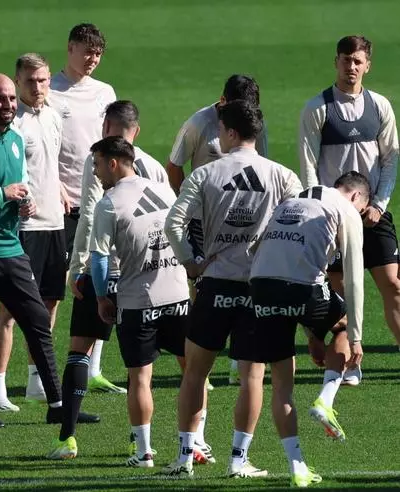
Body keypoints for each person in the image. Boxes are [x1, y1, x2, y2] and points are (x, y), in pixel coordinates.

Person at [164, 100, 303, 478]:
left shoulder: (206, 174)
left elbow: (173, 223)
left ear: (230, 132)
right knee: (252, 377)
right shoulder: (283, 177)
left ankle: (183, 458)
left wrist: (190, 261)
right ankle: (239, 461)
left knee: (195, 373)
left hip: (214, 285)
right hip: (259, 288)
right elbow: (296, 227)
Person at [0, 74, 85, 429]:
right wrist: (2, 195)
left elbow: (18, 187)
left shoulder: (15, 139)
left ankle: (56, 402)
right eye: (1, 99)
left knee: (39, 322)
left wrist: (22, 204)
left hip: (12, 248)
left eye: (12, 99)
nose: (9, 105)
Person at [249, 171, 370, 487]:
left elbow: (258, 248)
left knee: (281, 384)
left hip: (261, 287)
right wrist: (355, 336)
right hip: (303, 289)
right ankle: (326, 400)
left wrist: (312, 335)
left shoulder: (290, 201)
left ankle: (297, 468)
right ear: (356, 197)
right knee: (342, 326)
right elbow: (355, 278)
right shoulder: (345, 210)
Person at [299, 35, 400, 386]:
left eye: (358, 61)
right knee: (340, 294)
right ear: (336, 62)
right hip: (334, 218)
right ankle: (349, 362)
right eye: (345, 60)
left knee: (394, 285)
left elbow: (391, 159)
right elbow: (309, 166)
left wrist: (379, 204)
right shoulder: (318, 108)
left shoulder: (380, 106)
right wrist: (322, 208)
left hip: (372, 214)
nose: (351, 67)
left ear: (367, 65)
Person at [84, 136, 190, 468]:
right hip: (178, 295)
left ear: (113, 162)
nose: (97, 171)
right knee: (192, 373)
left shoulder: (108, 203)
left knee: (140, 378)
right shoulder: (161, 189)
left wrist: (101, 297)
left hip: (137, 301)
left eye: (98, 163)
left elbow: (99, 261)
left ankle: (144, 452)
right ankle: (193, 444)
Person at [166, 74, 268, 385]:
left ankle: (241, 360)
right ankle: (200, 365)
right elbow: (174, 165)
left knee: (247, 282)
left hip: (244, 219)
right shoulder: (200, 123)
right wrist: (191, 204)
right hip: (204, 222)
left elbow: (261, 166)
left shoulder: (253, 123)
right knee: (203, 289)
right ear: (222, 102)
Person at [0, 53, 67, 410]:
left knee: (50, 301)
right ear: (18, 83)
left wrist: (60, 189)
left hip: (55, 220)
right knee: (9, 310)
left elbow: (50, 162)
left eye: (44, 80)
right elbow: (8, 174)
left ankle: (37, 381)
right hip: (26, 226)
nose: (39, 87)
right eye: (31, 82)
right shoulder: (14, 124)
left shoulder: (52, 114)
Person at [48, 23, 120, 392]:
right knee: (58, 287)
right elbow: (44, 146)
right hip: (61, 200)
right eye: (86, 51)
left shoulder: (104, 92)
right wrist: (55, 184)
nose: (92, 59)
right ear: (70, 48)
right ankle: (42, 372)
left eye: (98, 53)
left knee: (102, 275)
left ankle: (93, 367)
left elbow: (115, 142)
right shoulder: (52, 92)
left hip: (102, 199)